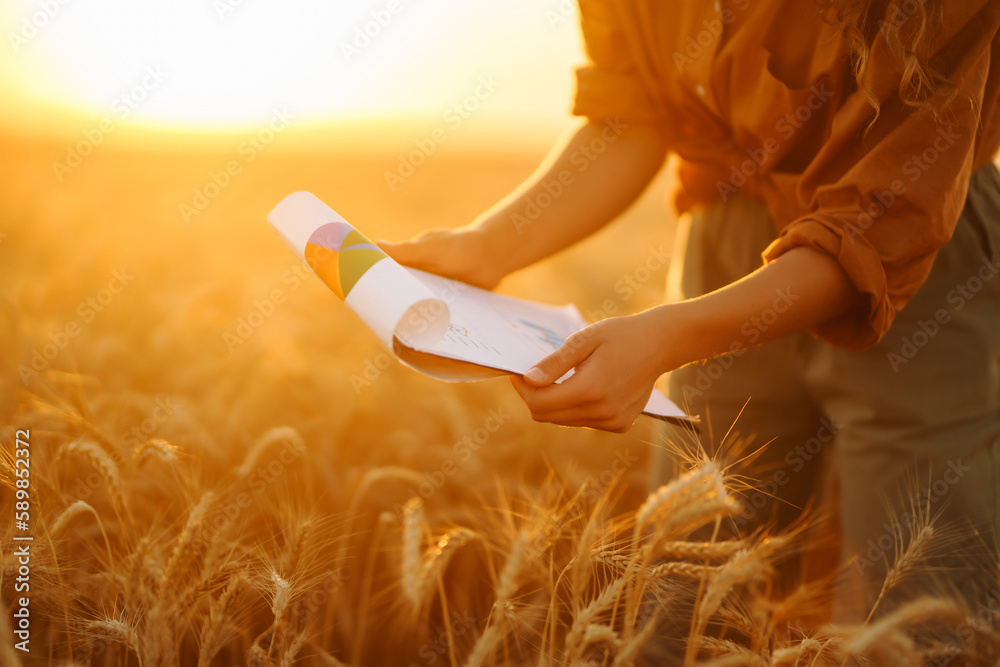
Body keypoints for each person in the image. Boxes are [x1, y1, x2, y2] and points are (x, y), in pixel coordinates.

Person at [378, 0, 1000, 622]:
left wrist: (668, 336)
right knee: (687, 594)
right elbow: (632, 114)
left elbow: (876, 223)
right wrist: (490, 245)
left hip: (917, 244)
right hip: (727, 236)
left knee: (921, 605)